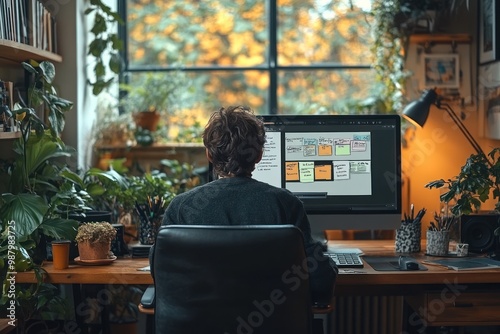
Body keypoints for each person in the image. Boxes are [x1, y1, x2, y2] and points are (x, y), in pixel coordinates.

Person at [150, 105, 337, 305]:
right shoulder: (286, 204)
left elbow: (162, 274)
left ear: (209, 155)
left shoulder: (182, 208)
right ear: (259, 155)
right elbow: (320, 281)